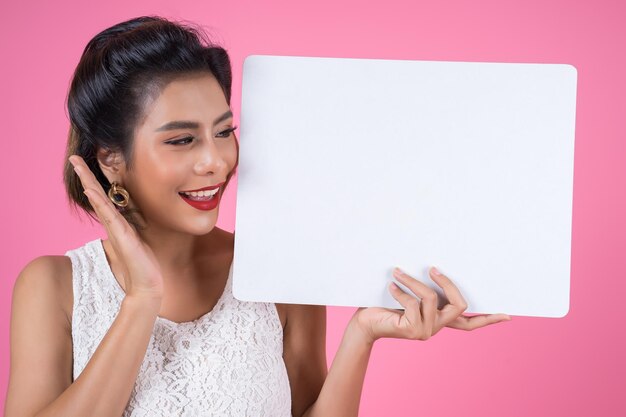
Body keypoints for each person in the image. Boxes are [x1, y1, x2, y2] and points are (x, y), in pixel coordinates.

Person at [4, 15, 512, 417]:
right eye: (182, 139)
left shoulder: (278, 269)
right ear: (110, 158)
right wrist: (142, 299)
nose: (217, 161)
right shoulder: (54, 287)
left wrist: (363, 334)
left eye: (224, 131)